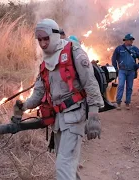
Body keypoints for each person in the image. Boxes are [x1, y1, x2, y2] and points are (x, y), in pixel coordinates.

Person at [13, 19, 104, 180]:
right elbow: (38, 94)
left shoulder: (74, 52)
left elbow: (90, 83)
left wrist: (94, 117)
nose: (42, 43)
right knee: (67, 166)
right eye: (39, 39)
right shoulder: (44, 64)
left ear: (55, 35)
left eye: (46, 38)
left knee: (63, 166)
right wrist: (24, 106)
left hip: (75, 116)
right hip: (58, 121)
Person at [112, 33, 139, 110]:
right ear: (125, 40)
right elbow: (114, 58)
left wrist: (138, 65)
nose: (131, 41)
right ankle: (118, 102)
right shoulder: (119, 49)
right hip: (122, 70)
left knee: (129, 87)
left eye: (132, 40)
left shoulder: (135, 49)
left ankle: (127, 103)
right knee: (121, 86)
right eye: (130, 40)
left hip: (131, 71)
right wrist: (115, 68)